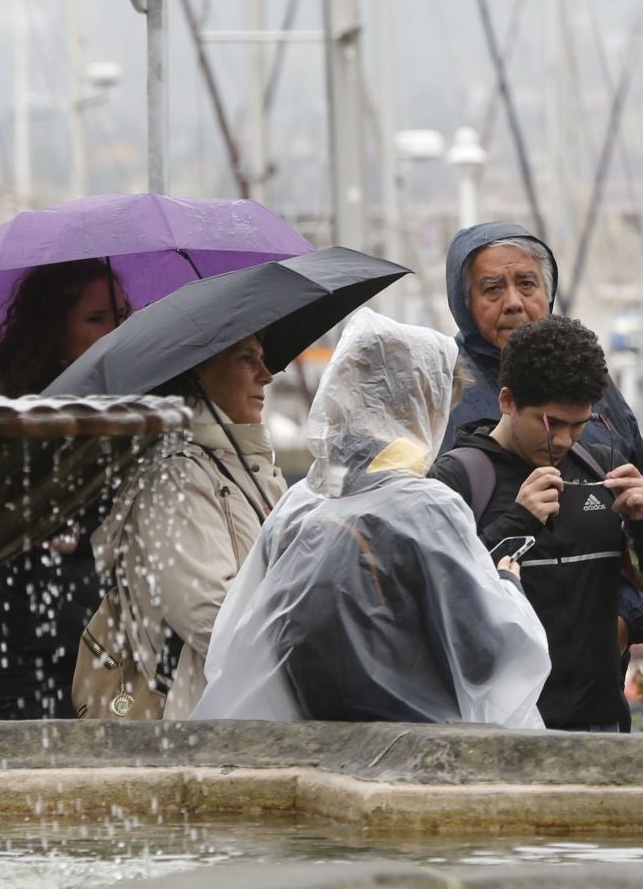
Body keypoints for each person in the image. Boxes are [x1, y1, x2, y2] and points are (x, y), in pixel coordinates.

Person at [194, 311, 550, 726]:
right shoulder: (426, 508)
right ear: (420, 404)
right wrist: (506, 584)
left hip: (313, 746)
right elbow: (487, 658)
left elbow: (239, 642)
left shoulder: (299, 504)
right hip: (410, 755)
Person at [431, 314, 643, 732]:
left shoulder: (603, 466)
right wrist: (518, 523)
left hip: (600, 724)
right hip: (500, 728)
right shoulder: (457, 478)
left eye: (579, 425)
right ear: (508, 401)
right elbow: (439, 598)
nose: (564, 441)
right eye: (551, 424)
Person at [445, 221, 643, 652]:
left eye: (526, 284)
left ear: (548, 291)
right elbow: (435, 564)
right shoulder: (445, 391)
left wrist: (627, 620)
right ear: (463, 303)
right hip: (493, 666)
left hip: (593, 678)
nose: (513, 303)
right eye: (492, 289)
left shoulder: (597, 388)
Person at [88, 332, 286, 722]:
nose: (267, 375)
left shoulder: (252, 468)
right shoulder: (174, 474)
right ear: (199, 372)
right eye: (247, 359)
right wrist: (304, 634)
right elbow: (209, 615)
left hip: (248, 705)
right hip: (201, 717)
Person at [0, 260, 130, 718]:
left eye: (123, 316)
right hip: (29, 669)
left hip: (113, 658)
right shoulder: (11, 424)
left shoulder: (136, 415)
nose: (116, 331)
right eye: (97, 318)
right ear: (53, 332)